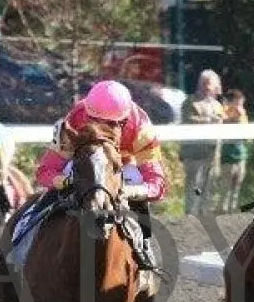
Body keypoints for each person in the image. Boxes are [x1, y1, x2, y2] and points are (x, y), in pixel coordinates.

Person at [33, 80, 168, 270]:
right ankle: (26, 232)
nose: (101, 130)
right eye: (94, 121)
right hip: (86, 163)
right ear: (87, 114)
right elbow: (45, 171)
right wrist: (66, 181)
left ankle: (143, 246)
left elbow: (157, 184)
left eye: (111, 125)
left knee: (136, 178)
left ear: (124, 121)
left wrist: (129, 191)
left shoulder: (141, 128)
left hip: (122, 166)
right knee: (59, 185)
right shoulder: (75, 119)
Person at [180, 70, 223, 215]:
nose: (207, 87)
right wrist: (209, 121)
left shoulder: (217, 105)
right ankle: (191, 216)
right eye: (205, 84)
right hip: (194, 153)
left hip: (212, 154)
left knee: (209, 186)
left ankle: (205, 215)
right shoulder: (190, 102)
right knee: (194, 186)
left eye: (210, 84)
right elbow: (188, 121)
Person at [218, 89, 248, 213]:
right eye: (237, 103)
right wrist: (234, 117)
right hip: (227, 156)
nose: (240, 107)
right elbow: (222, 124)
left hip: (240, 155)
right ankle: (222, 211)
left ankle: (233, 211)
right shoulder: (223, 111)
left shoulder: (243, 114)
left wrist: (240, 117)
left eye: (241, 103)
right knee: (226, 187)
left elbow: (246, 134)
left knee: (237, 187)